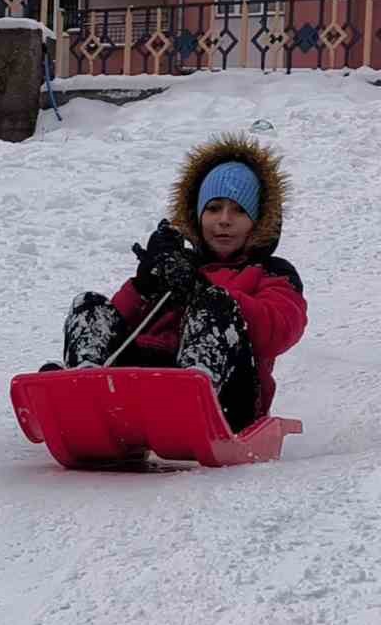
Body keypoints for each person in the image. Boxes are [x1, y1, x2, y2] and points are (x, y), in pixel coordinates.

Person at [50, 134, 308, 432]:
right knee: (89, 304)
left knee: (215, 303)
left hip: (229, 396)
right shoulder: (178, 265)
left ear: (259, 220)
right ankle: (86, 388)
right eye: (213, 209)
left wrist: (200, 288)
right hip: (145, 383)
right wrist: (146, 281)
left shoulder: (272, 272)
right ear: (196, 216)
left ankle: (195, 389)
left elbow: (278, 331)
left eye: (239, 210)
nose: (224, 220)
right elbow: (119, 320)